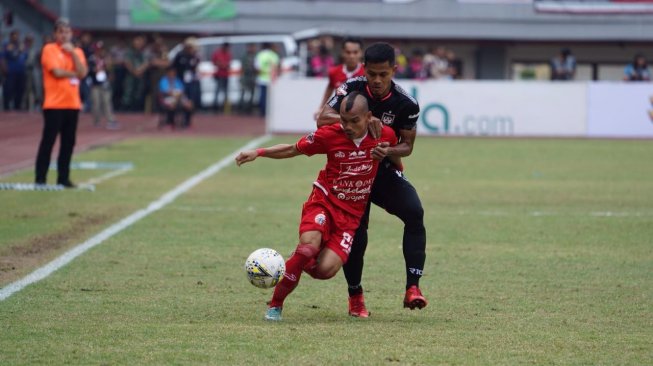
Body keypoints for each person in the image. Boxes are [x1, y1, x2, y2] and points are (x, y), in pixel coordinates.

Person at [235, 92, 398, 321]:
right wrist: (259, 152)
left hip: (350, 217)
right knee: (308, 248)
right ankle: (275, 305)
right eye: (343, 120)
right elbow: (293, 149)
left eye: (354, 121)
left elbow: (396, 154)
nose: (348, 126)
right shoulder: (330, 135)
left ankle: (296, 261)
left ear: (369, 117)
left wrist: (398, 177)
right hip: (324, 201)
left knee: (324, 271)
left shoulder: (384, 134)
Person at [317, 42, 427, 317]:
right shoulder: (350, 87)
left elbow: (408, 146)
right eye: (372, 74)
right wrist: (365, 120)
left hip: (382, 171)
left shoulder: (406, 103)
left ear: (394, 70)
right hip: (352, 172)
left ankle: (413, 288)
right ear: (364, 70)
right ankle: (356, 296)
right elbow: (322, 119)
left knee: (414, 213)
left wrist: (388, 150)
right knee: (358, 234)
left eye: (383, 75)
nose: (377, 81)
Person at [34, 18, 88, 188]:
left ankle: (63, 178)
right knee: (48, 142)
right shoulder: (49, 49)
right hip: (54, 104)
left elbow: (83, 73)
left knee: (68, 143)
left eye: (67, 32)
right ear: (55, 34)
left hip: (72, 104)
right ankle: (40, 178)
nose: (64, 36)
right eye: (61, 32)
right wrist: (74, 73)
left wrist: (72, 54)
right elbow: (56, 72)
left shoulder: (77, 52)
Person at [313, 36, 364, 120]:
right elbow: (330, 87)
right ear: (342, 52)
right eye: (348, 52)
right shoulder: (334, 72)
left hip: (361, 117)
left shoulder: (367, 73)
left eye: (355, 52)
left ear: (361, 53)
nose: (351, 56)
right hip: (340, 116)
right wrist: (321, 107)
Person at [88, 41, 119, 129]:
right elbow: (88, 71)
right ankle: (96, 120)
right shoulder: (91, 59)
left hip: (105, 84)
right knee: (96, 103)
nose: (100, 52)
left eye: (102, 50)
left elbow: (110, 71)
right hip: (95, 85)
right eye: (98, 50)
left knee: (107, 102)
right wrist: (94, 69)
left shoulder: (106, 59)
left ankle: (111, 120)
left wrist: (108, 67)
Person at [254, 42, 279, 117]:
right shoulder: (274, 55)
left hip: (262, 78)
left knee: (262, 97)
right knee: (271, 97)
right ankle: (270, 113)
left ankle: (263, 112)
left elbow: (257, 68)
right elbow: (276, 67)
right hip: (272, 79)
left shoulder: (260, 55)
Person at [211, 42, 231, 113]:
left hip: (226, 75)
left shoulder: (228, 54)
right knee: (217, 91)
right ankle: (215, 107)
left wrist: (223, 65)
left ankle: (225, 108)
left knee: (225, 92)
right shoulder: (217, 53)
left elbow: (228, 64)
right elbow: (214, 62)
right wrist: (221, 65)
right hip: (219, 75)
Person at [238, 43, 257, 114]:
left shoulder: (255, 56)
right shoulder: (245, 56)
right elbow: (244, 67)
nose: (253, 49)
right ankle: (241, 108)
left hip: (252, 77)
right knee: (243, 93)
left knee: (252, 93)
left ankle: (249, 108)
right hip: (245, 77)